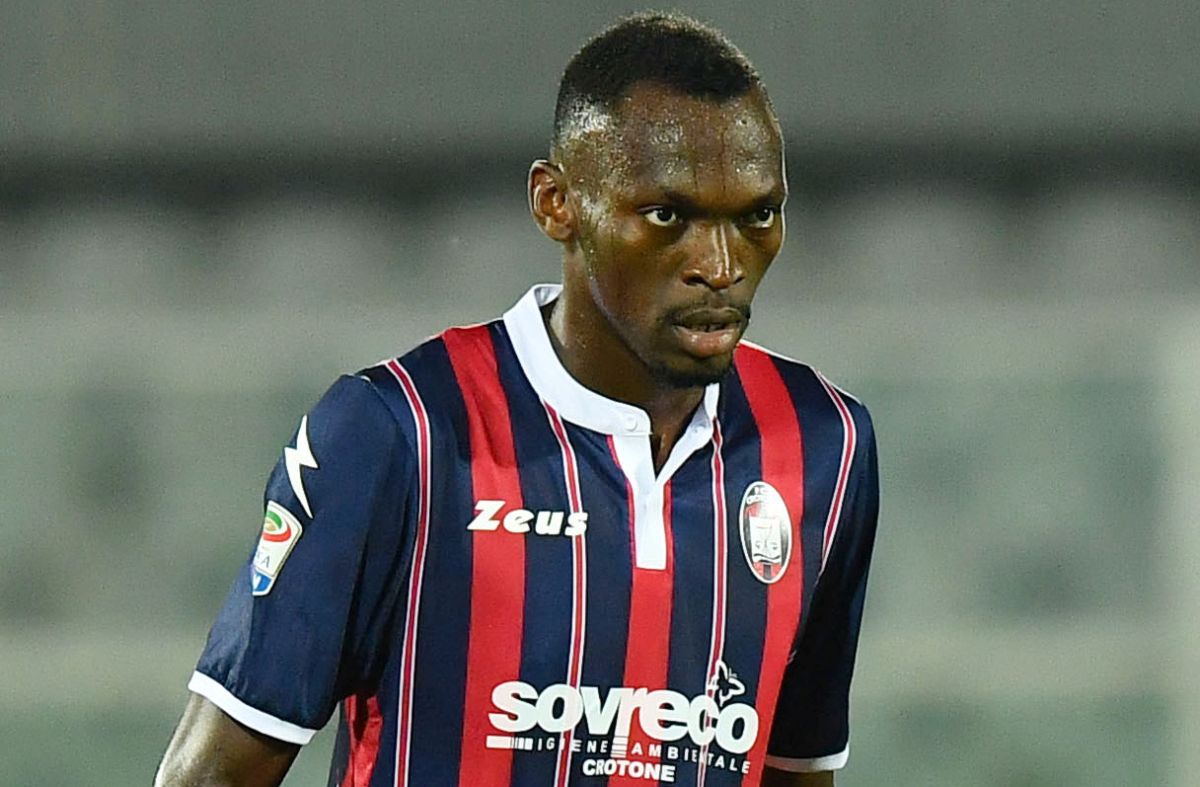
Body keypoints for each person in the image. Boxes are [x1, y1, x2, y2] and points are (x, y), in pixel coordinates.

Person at [155, 12, 879, 787]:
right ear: (556, 203)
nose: (721, 264)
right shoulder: (399, 434)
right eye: (668, 216)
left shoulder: (825, 446)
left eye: (757, 215)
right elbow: (210, 775)